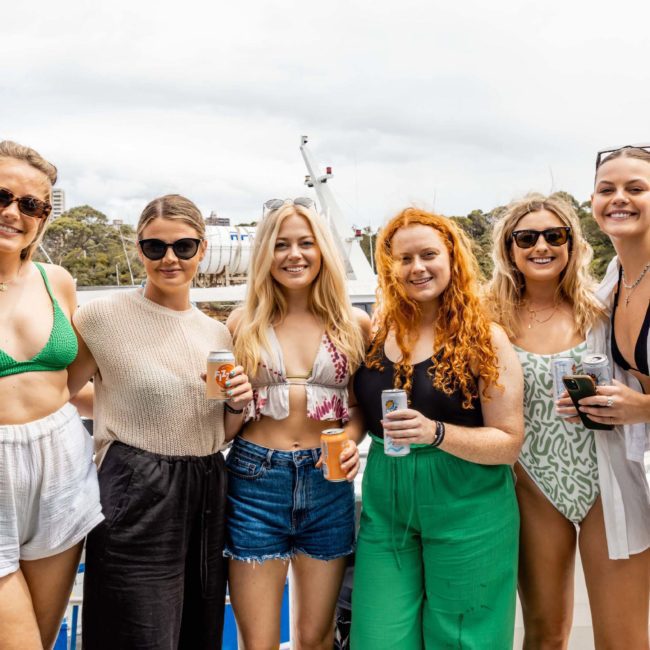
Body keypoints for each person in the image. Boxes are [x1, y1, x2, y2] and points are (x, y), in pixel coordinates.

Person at [67, 194, 253, 649]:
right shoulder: (100, 318)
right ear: (139, 248)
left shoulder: (216, 332)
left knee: (197, 632)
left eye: (183, 247)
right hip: (137, 484)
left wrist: (236, 406)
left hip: (208, 484)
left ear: (202, 250)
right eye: (155, 248)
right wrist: (115, 408)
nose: (170, 259)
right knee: (136, 634)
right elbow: (63, 393)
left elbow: (219, 431)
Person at [350, 207, 524, 650]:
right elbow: (356, 408)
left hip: (469, 505)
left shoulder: (487, 338)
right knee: (378, 637)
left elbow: (508, 443)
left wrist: (436, 432)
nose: (417, 267)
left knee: (465, 639)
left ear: (451, 258)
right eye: (404, 258)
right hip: (386, 503)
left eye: (428, 254)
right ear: (389, 266)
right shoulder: (376, 332)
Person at [487, 192, 650, 649]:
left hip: (611, 480)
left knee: (624, 640)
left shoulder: (606, 307)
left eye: (554, 235)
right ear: (509, 248)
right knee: (545, 635)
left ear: (572, 243)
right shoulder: (488, 321)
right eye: (527, 237)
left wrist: (626, 403)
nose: (542, 245)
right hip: (532, 482)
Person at [226, 197, 370, 649]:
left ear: (322, 250)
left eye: (306, 243)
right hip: (254, 479)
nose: (294, 255)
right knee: (260, 641)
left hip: (328, 482)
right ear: (266, 254)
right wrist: (231, 404)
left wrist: (348, 441)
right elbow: (225, 423)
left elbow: (359, 407)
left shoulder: (354, 324)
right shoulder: (241, 323)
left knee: (316, 636)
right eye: (282, 244)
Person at [0, 141, 103, 650]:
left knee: (41, 638)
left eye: (30, 204)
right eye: (2, 196)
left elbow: (70, 387)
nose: (13, 212)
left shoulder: (56, 281)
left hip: (60, 467)